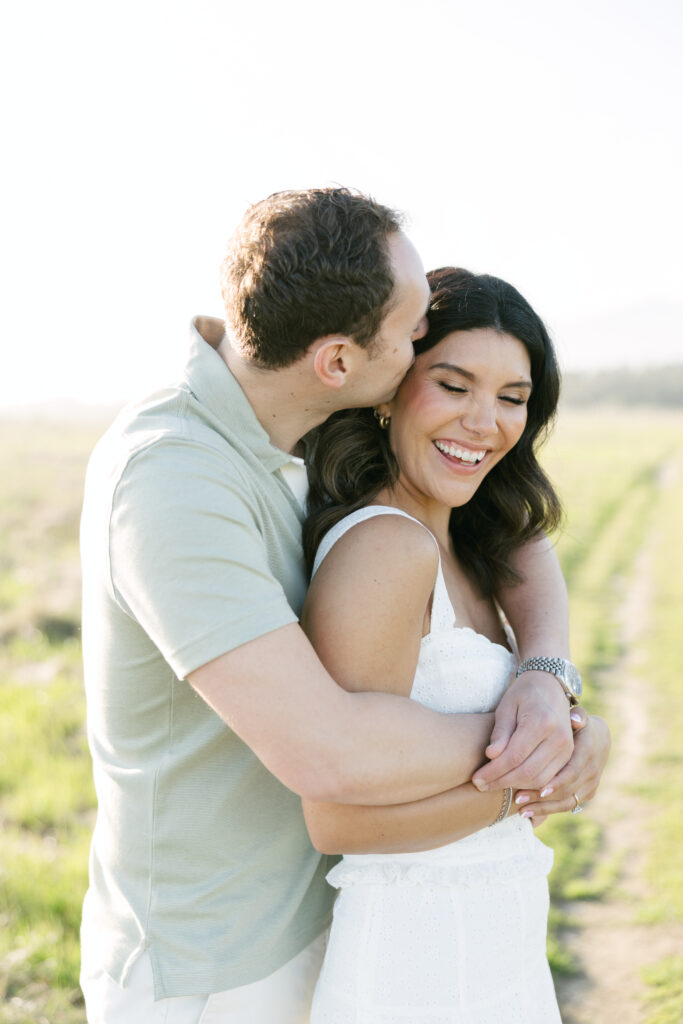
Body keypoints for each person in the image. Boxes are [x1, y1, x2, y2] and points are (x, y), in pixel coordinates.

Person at [79, 188, 597, 1024]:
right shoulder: (174, 479)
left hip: (326, 923)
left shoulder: (293, 434)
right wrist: (544, 748)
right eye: (414, 336)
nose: (421, 334)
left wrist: (544, 677)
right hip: (215, 960)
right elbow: (329, 759)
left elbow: (509, 538)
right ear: (340, 361)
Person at [300, 266, 611, 1022]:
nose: (484, 422)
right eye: (453, 384)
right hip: (413, 967)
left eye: (511, 398)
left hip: (498, 945)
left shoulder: (471, 543)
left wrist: (561, 707)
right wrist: (531, 778)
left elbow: (533, 556)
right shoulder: (383, 550)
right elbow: (336, 822)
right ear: (391, 388)